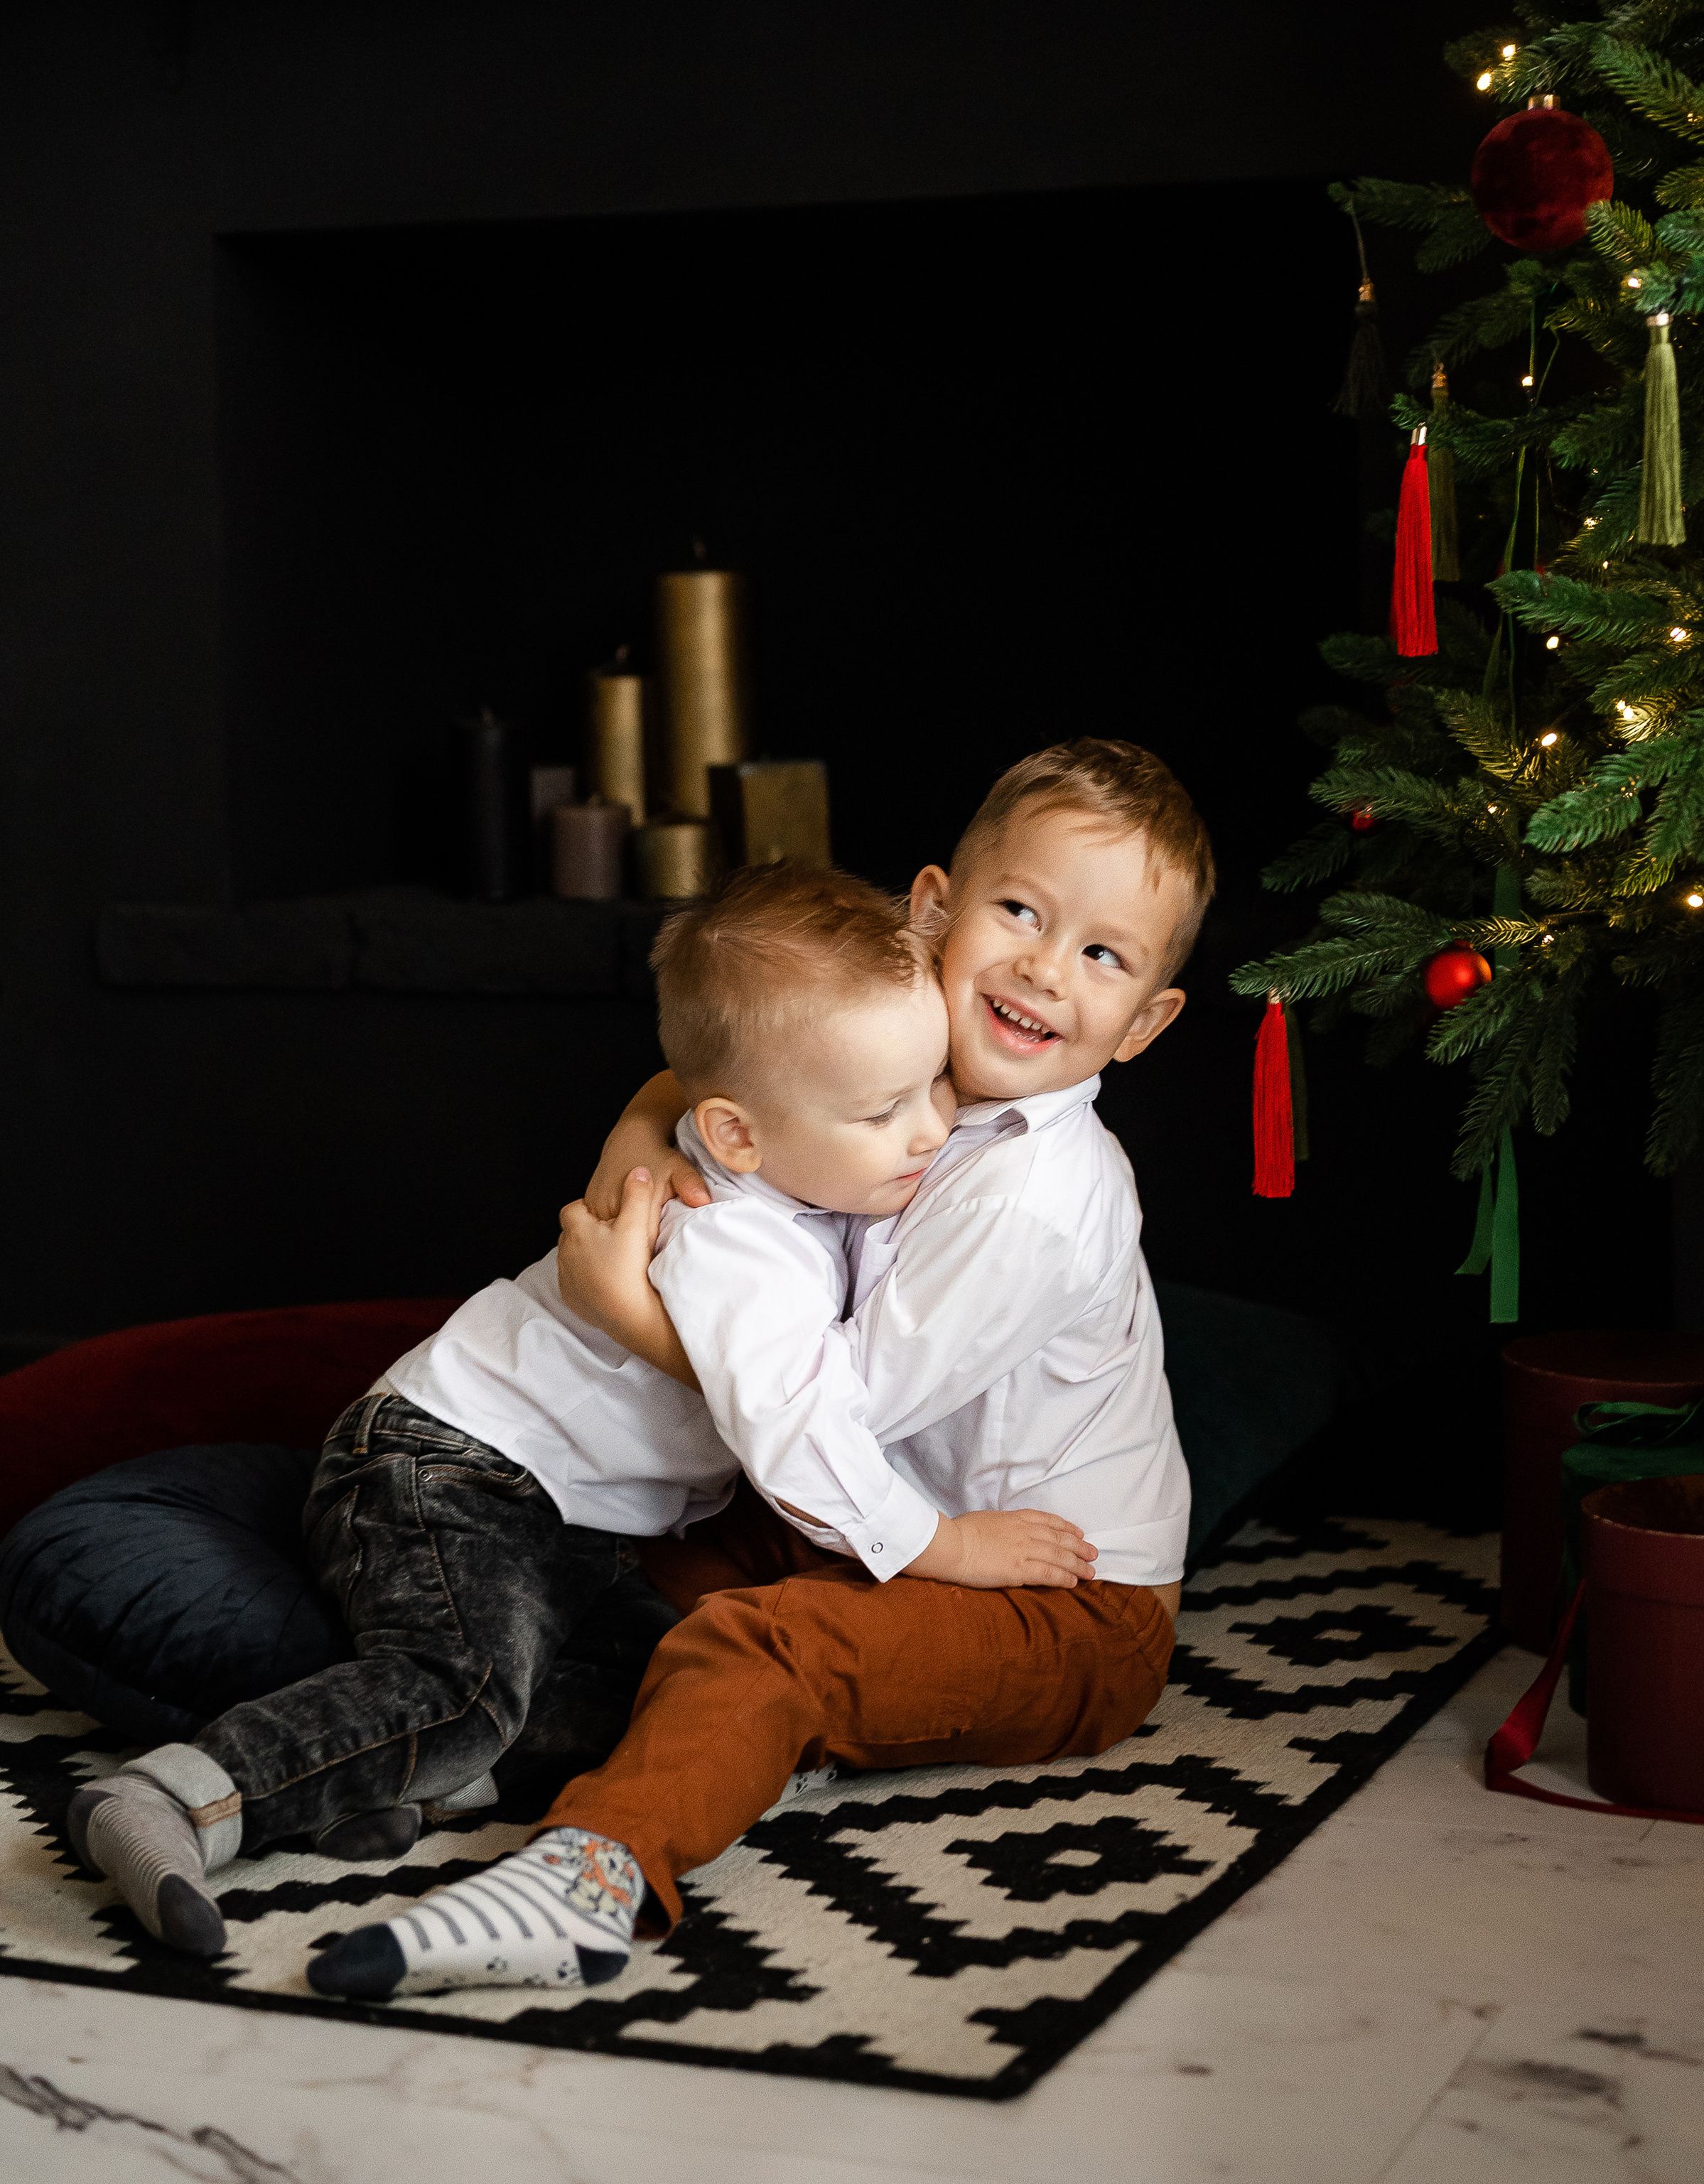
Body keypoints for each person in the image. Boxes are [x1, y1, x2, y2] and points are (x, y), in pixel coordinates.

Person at [308, 735, 1212, 2003]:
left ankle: (590, 1875)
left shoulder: (1041, 1200)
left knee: (760, 1648)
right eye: (1021, 911)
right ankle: (442, 1725)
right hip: (864, 1512)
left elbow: (822, 1414)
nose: (1045, 970)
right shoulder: (898, 1064)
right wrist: (633, 1150)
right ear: (933, 910)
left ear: (1146, 1023)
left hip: (1054, 1595)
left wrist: (624, 1311)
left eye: (1103, 955)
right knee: (610, 1569)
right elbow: (700, 1076)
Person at [68, 864, 1035, 1962]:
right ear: (740, 1132)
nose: (928, 1132)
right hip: (452, 1467)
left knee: (666, 1680)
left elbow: (683, 1089)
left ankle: (393, 1782)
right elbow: (798, 1441)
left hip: (567, 1522)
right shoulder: (735, 1243)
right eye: (884, 1109)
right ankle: (176, 1796)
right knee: (465, 1683)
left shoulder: (805, 1179)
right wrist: (947, 1542)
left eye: (933, 1087)